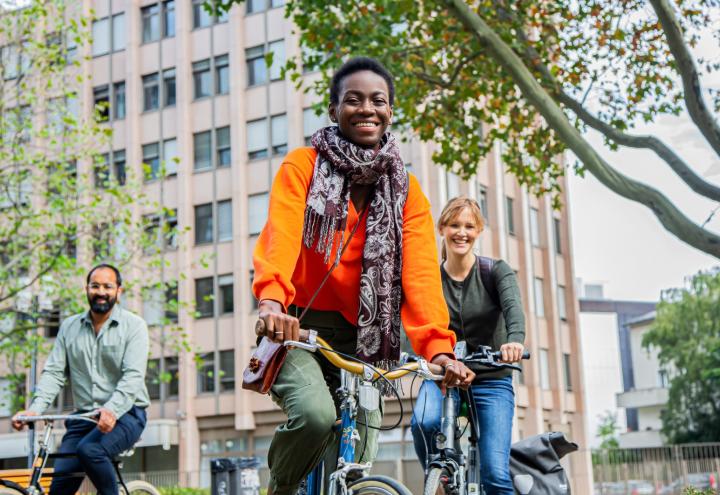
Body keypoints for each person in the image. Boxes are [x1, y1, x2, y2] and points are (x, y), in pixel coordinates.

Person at [252, 56, 476, 495]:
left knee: (362, 442)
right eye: (353, 100)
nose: (366, 108)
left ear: (390, 111)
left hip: (364, 339)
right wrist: (272, 301)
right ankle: (277, 489)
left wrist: (439, 350)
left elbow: (422, 277)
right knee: (316, 415)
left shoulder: (407, 191)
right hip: (299, 326)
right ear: (335, 110)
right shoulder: (303, 166)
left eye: (378, 100)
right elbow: (281, 234)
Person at [410, 197, 526, 495]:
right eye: (454, 225)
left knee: (495, 475)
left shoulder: (496, 271)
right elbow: (414, 323)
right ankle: (439, 476)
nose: (461, 232)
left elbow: (514, 311)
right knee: (424, 421)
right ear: (442, 229)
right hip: (442, 376)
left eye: (469, 226)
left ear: (479, 231)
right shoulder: (430, 280)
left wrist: (514, 342)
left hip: (491, 378)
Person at [12, 264, 150, 495]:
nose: (101, 292)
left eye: (108, 286)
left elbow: (133, 377)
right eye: (95, 286)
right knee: (60, 484)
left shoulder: (134, 326)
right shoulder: (69, 327)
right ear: (86, 289)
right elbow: (54, 373)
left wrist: (111, 410)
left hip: (127, 414)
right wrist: (35, 410)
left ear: (119, 291)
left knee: (90, 449)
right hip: (84, 418)